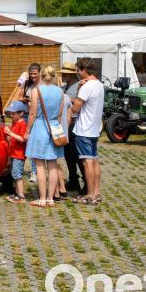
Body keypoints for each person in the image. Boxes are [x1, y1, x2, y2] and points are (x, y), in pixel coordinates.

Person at [24, 64, 66, 207]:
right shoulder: (60, 92)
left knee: (40, 165)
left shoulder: (37, 90)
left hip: (40, 127)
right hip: (54, 127)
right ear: (54, 76)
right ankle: (50, 198)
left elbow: (33, 113)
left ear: (42, 75)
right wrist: (56, 128)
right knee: (53, 164)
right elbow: (60, 114)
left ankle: (42, 198)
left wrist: (27, 131)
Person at [69, 57, 104, 205]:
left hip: (84, 129)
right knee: (94, 161)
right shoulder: (99, 84)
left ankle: (90, 195)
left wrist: (78, 90)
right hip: (94, 128)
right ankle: (95, 192)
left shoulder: (86, 87)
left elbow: (76, 108)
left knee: (87, 162)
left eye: (78, 70)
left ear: (84, 70)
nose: (77, 73)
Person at [60, 62, 86, 195]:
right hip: (66, 122)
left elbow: (79, 101)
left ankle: (86, 182)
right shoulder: (66, 86)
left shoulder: (78, 86)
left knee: (76, 154)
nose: (63, 75)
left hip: (74, 121)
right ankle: (73, 179)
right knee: (68, 154)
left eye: (64, 73)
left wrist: (65, 98)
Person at [3, 100, 28, 203]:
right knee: (14, 174)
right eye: (10, 113)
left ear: (21, 113)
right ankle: (17, 193)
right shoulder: (14, 122)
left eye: (13, 113)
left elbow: (23, 139)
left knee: (17, 175)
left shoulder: (22, 124)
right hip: (13, 153)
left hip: (19, 154)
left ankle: (21, 196)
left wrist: (11, 134)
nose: (11, 115)